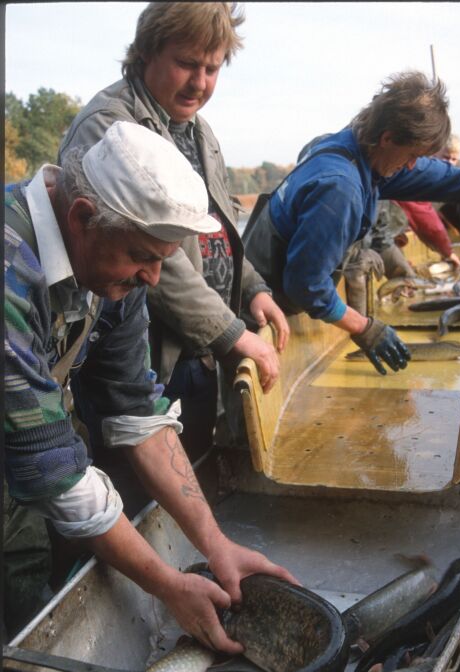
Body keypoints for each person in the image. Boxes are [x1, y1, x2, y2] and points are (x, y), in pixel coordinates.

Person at [4, 120, 296, 645]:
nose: (153, 278)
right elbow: (47, 466)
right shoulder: (10, 266)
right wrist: (168, 584)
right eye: (143, 257)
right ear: (83, 217)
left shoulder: (114, 265)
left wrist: (215, 544)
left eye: (162, 260)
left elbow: (136, 411)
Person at [59, 2, 289, 461]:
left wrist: (253, 290)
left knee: (196, 464)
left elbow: (217, 229)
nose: (200, 83)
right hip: (142, 358)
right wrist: (230, 334)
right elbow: (151, 257)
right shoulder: (108, 127)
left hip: (197, 353)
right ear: (146, 52)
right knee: (139, 482)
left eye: (212, 68)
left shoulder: (201, 134)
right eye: (186, 63)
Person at [244, 72, 460, 376]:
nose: (412, 165)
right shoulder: (340, 188)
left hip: (281, 296)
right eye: (411, 156)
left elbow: (453, 179)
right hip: (258, 311)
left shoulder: (358, 147)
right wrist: (364, 327)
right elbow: (306, 284)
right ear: (388, 138)